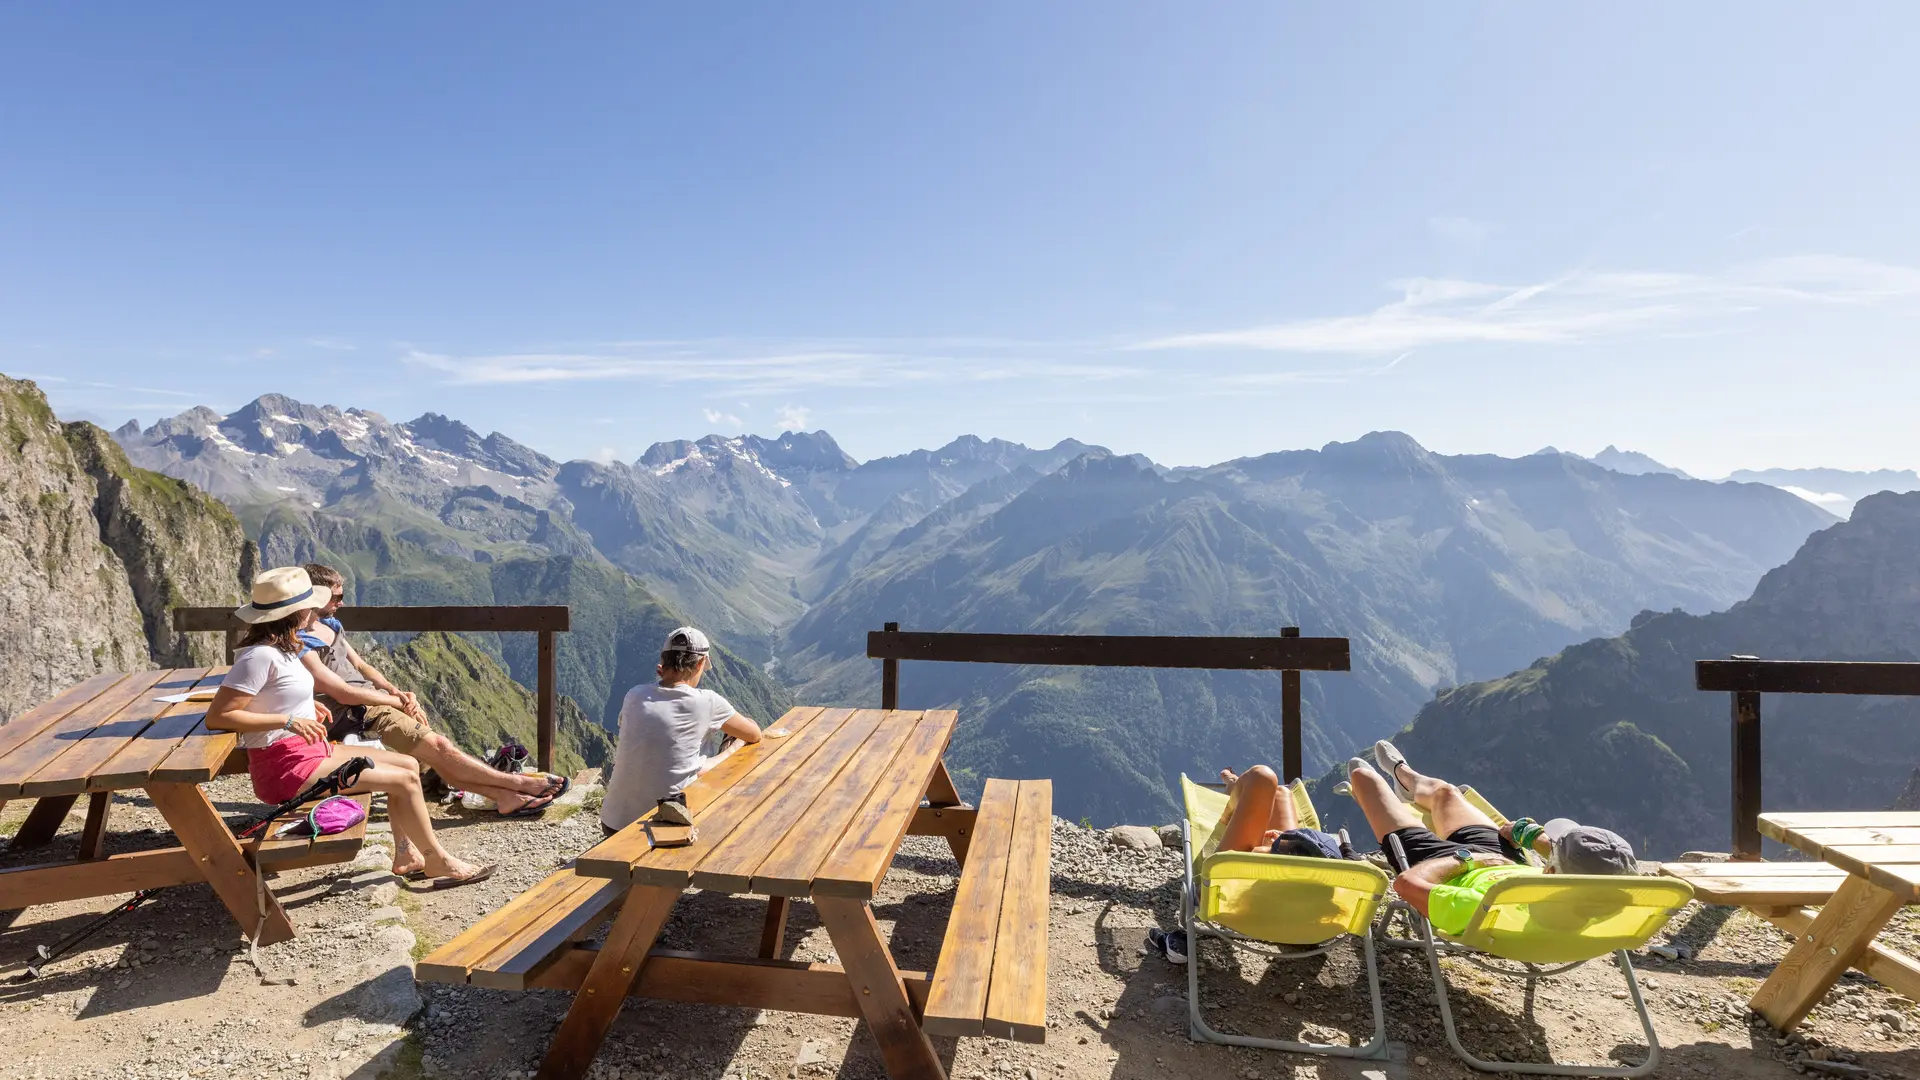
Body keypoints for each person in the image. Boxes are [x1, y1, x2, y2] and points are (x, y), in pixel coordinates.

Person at [205, 566, 494, 889]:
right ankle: (437, 860)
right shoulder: (257, 657)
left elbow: (274, 694)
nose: (314, 610)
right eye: (309, 605)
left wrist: (302, 706)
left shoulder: (286, 649)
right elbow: (219, 716)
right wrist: (285, 719)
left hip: (310, 753)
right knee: (402, 781)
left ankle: (407, 855)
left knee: (409, 764)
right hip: (286, 767)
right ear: (296, 611)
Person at [294, 563, 568, 818]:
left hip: (370, 703)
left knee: (436, 749)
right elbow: (341, 692)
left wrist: (396, 691)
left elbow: (362, 665)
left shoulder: (331, 624)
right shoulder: (300, 642)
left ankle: (503, 796)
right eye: (335, 598)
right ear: (315, 596)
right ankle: (517, 783)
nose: (341, 603)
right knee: (438, 746)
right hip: (349, 713)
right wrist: (394, 701)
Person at [1347, 740, 1638, 936]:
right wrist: (1530, 836)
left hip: (1448, 868)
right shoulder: (1596, 905)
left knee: (1362, 776)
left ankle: (1398, 778)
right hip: (1505, 861)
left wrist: (1468, 861)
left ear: (1550, 871)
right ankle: (1403, 775)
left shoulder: (1479, 908)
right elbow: (1581, 867)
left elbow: (1406, 884)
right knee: (1448, 793)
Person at [600, 627, 762, 835]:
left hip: (612, 822)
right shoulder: (708, 702)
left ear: (663, 661)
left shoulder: (635, 695)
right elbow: (754, 733)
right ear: (701, 663)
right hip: (667, 824)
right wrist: (731, 749)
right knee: (733, 746)